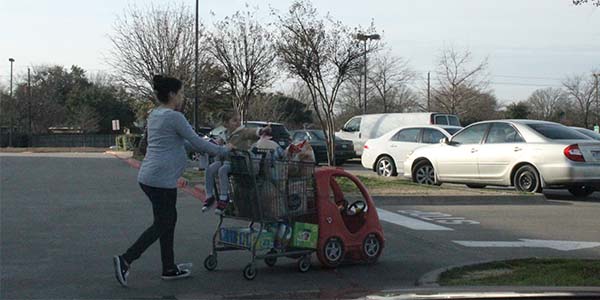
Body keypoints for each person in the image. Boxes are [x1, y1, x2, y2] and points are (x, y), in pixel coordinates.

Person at [113, 75, 231, 287]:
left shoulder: (156, 115)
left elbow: (180, 144)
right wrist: (223, 151)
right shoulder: (174, 117)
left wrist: (205, 147)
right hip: (160, 179)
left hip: (151, 176)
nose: (183, 97)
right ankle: (126, 260)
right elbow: (195, 141)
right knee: (164, 222)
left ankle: (169, 268)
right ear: (172, 94)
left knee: (168, 220)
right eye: (181, 93)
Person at [203, 111, 271, 214]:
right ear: (226, 124)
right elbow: (217, 142)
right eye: (235, 120)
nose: (238, 122)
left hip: (239, 163)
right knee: (210, 169)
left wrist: (262, 130)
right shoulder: (225, 134)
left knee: (222, 170)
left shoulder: (242, 132)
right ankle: (209, 196)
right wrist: (212, 144)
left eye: (239, 120)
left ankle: (224, 197)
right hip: (226, 160)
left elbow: (252, 132)